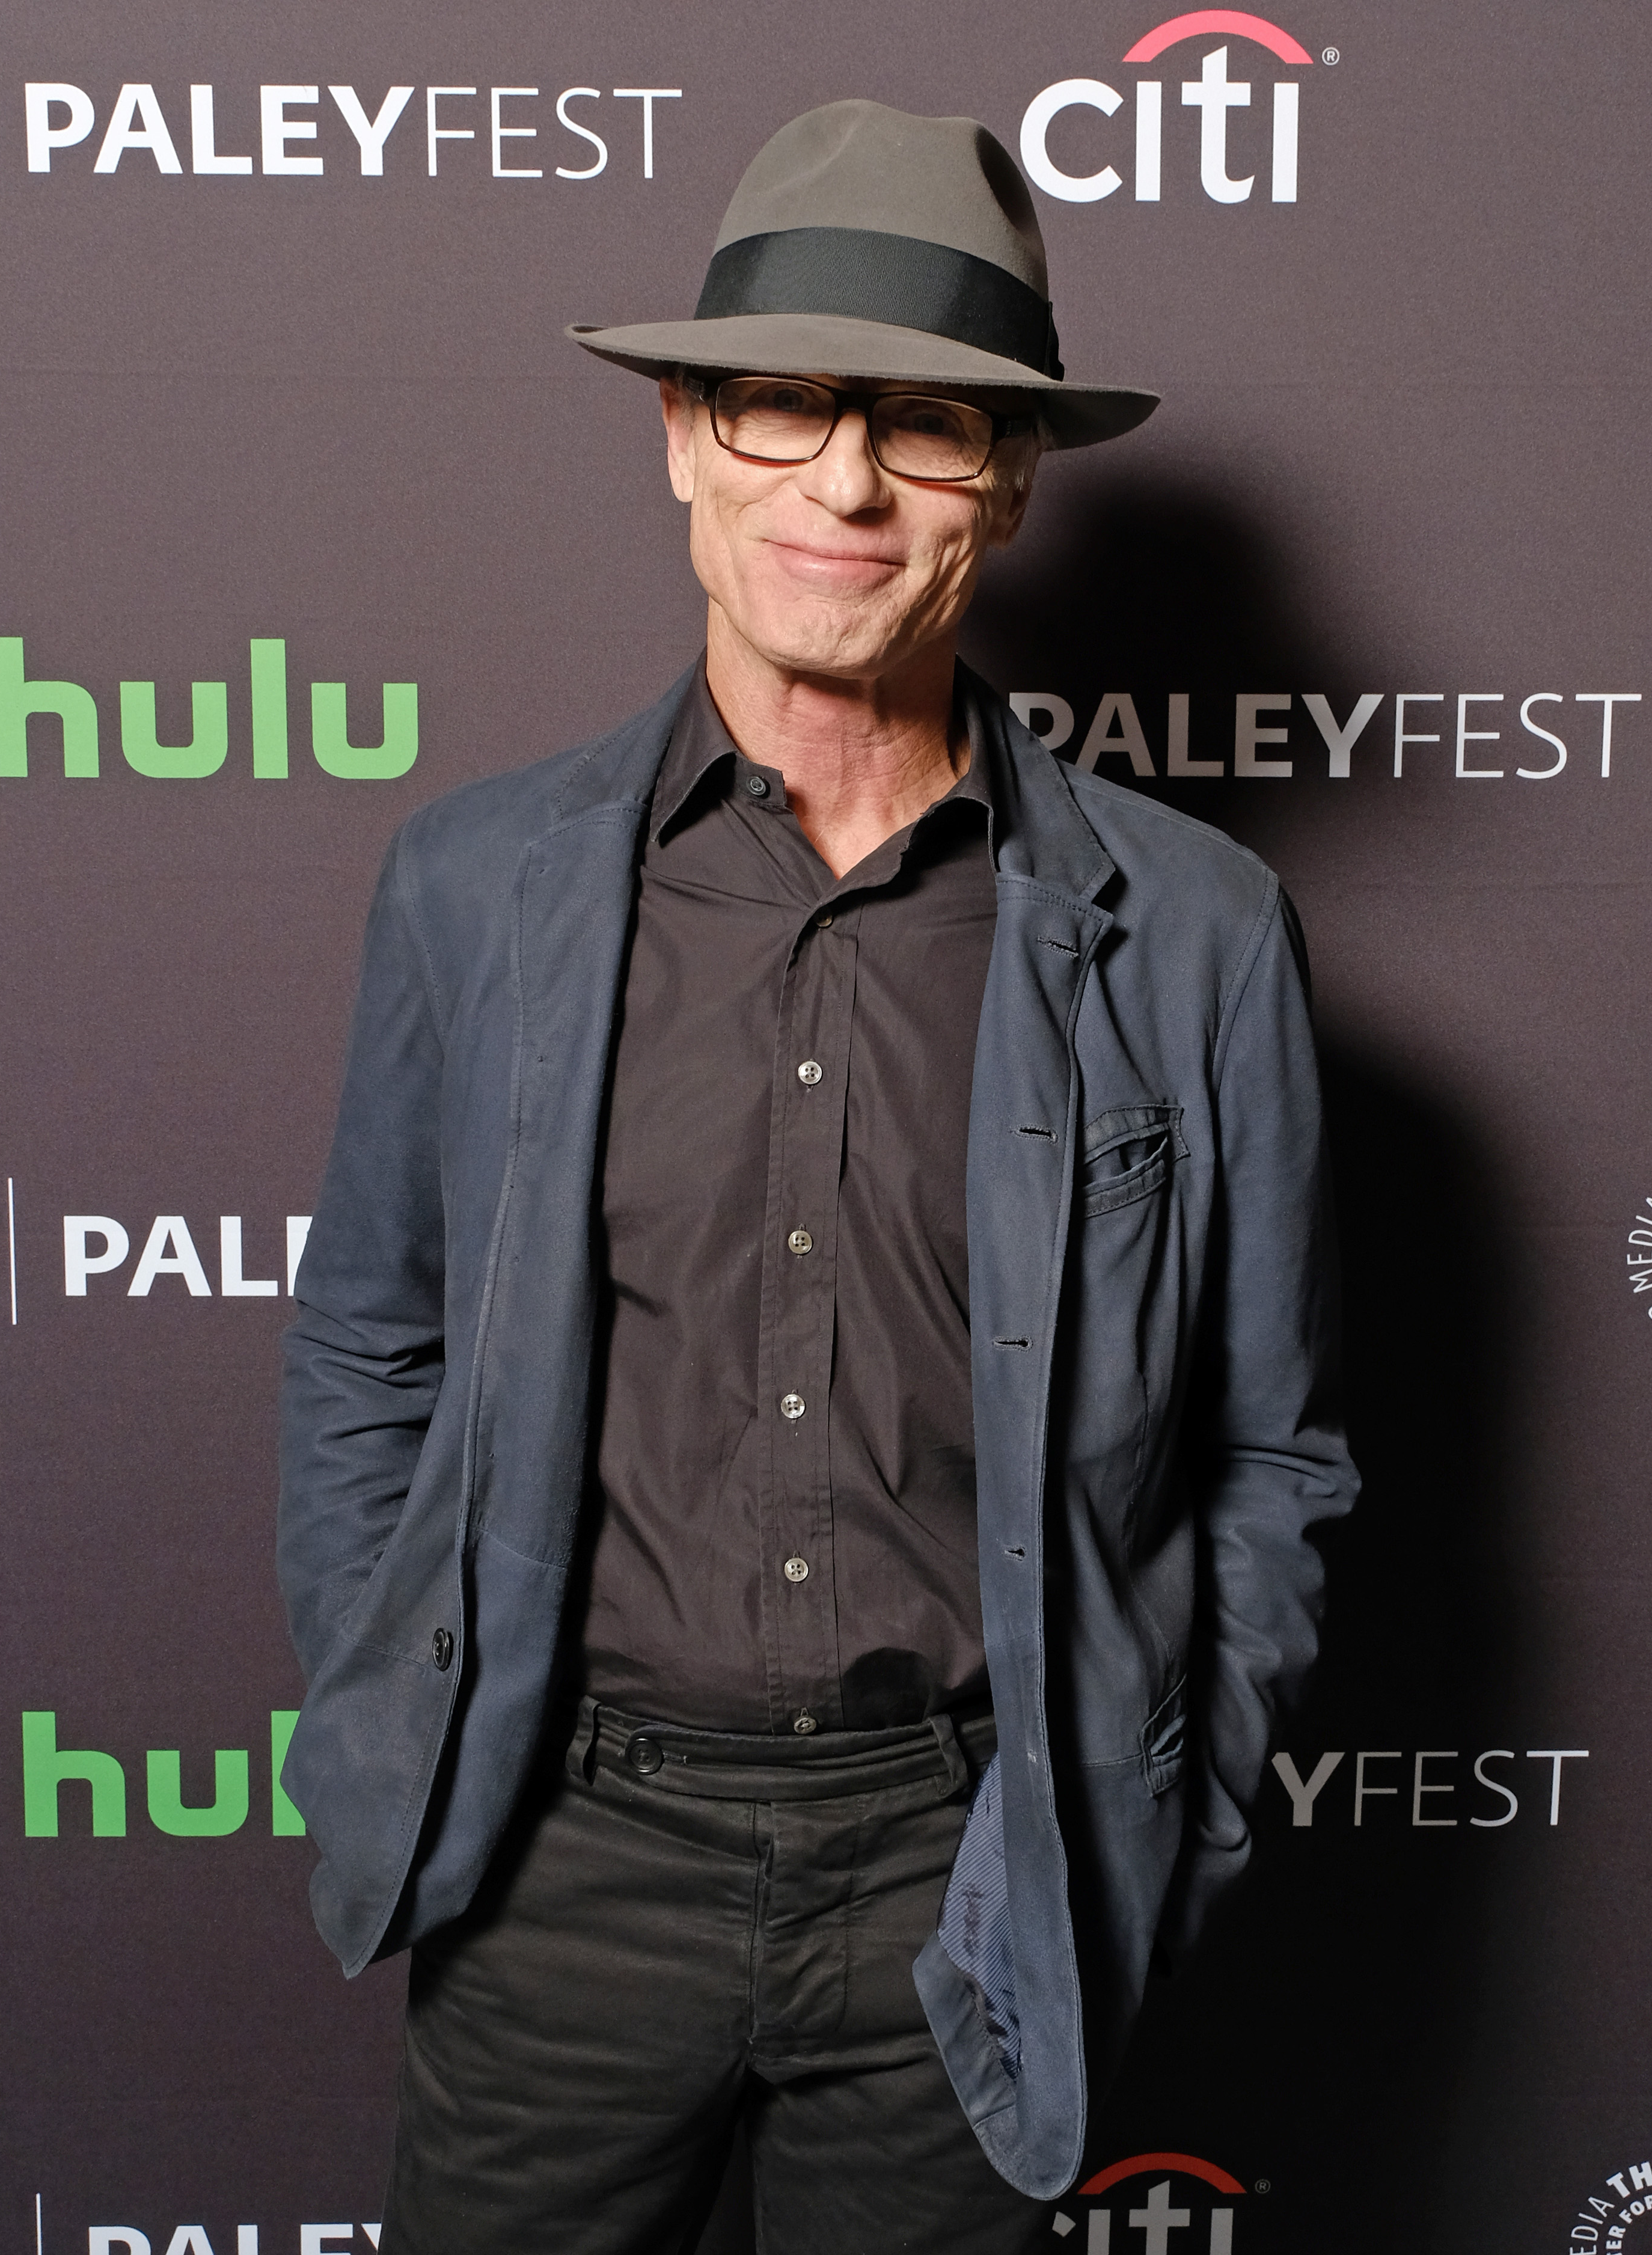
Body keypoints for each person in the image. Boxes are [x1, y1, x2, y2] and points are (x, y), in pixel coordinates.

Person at [277, 98, 1358, 2255]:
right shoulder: (478, 885)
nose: (845, 486)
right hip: (556, 1865)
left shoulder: (1198, 932)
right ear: (684, 438)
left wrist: (1161, 1808)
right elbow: (369, 1349)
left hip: (974, 1883)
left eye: (926, 425)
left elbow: (1270, 1454)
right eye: (782, 406)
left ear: (1011, 480)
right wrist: (395, 1712)